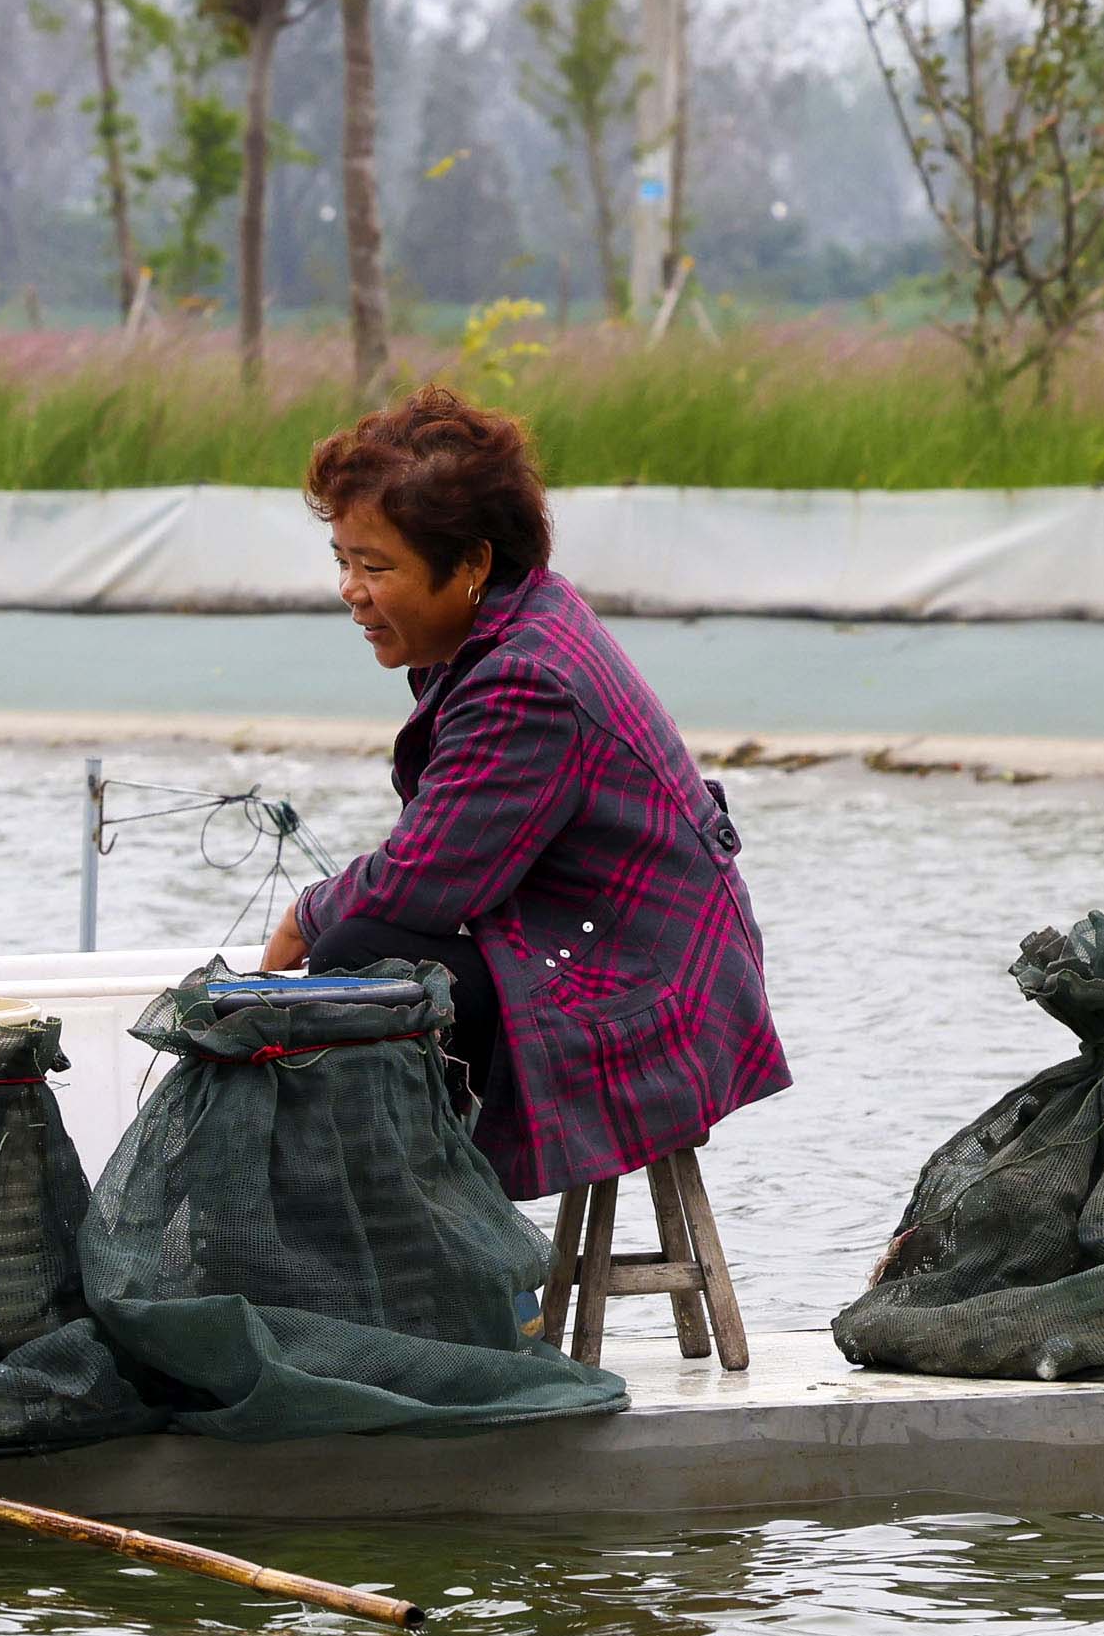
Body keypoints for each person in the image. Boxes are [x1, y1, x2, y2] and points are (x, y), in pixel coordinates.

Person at [261, 384, 788, 1205]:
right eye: (342, 560)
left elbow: (425, 884)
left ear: (471, 564)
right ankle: (440, 1245)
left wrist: (307, 913)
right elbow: (445, 854)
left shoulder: (522, 678)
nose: (351, 590)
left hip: (651, 998)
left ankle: (456, 1256)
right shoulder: (510, 620)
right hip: (629, 957)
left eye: (376, 566)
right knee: (368, 955)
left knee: (359, 964)